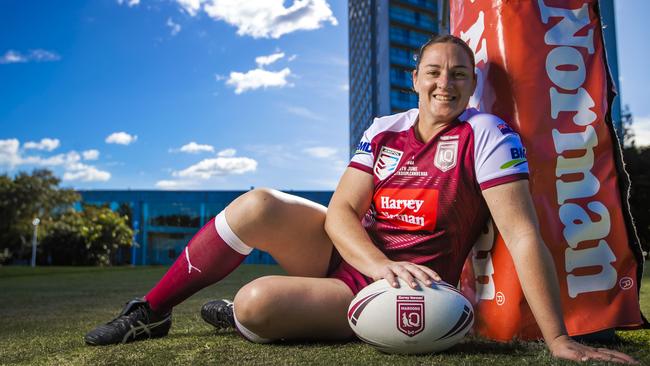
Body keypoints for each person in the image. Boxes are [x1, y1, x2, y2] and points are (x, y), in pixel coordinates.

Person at [85, 35, 637, 364]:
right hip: (359, 259)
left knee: (255, 304)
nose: (446, 83)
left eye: (460, 75)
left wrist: (558, 338)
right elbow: (342, 212)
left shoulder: (488, 134)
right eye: (435, 72)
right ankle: (150, 312)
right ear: (415, 78)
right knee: (258, 203)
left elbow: (521, 233)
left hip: (410, 289)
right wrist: (375, 263)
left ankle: (247, 315)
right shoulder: (385, 128)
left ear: (471, 86)